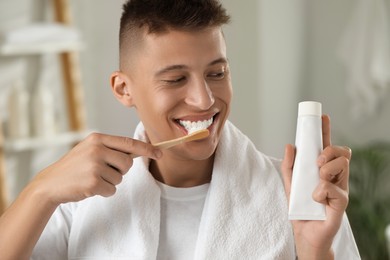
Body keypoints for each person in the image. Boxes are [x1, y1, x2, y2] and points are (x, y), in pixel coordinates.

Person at [0, 0, 360, 259]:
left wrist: (315, 250)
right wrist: (40, 190)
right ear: (124, 89)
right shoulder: (79, 202)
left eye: (217, 73)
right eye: (175, 79)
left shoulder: (300, 199)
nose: (204, 100)